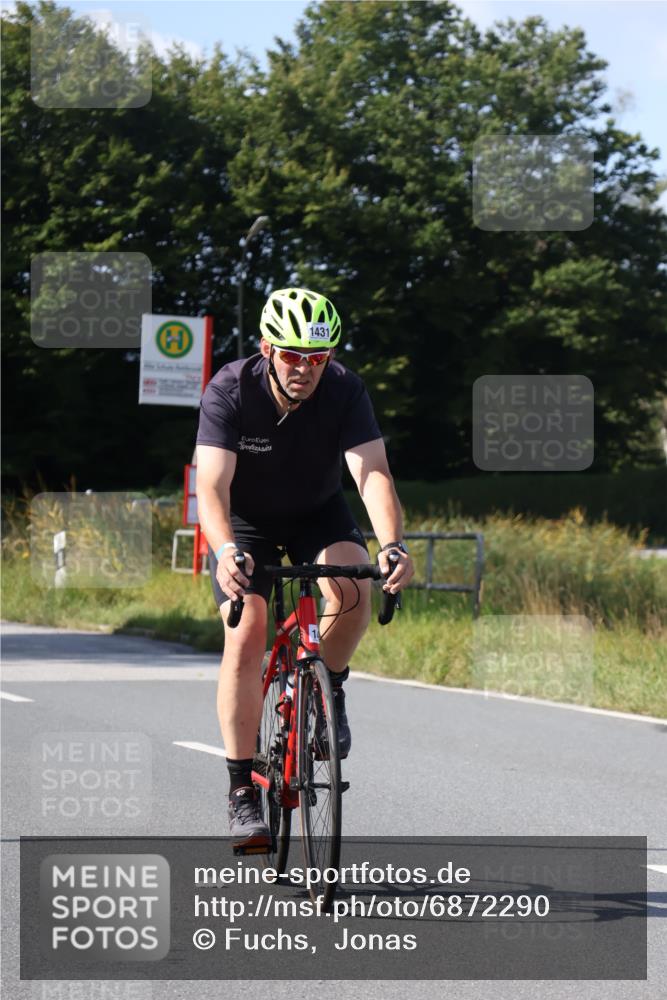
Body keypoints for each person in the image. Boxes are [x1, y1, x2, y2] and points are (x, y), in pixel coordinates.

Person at [195, 287, 414, 850]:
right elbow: (212, 488)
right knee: (246, 636)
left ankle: (329, 687)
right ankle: (242, 790)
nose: (306, 368)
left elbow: (372, 473)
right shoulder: (229, 390)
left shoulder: (344, 390)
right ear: (268, 348)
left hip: (318, 514)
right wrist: (223, 553)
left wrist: (392, 544)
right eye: (293, 354)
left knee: (355, 586)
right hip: (246, 526)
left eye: (318, 357)